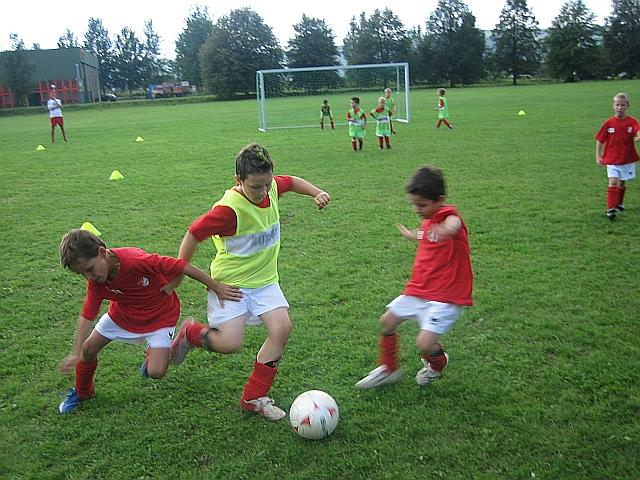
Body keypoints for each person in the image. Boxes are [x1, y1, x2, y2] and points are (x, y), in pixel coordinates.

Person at [166, 143, 330, 421]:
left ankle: (253, 397)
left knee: (282, 328)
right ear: (238, 181)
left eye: (267, 184)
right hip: (231, 286)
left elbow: (291, 182)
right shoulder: (227, 211)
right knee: (229, 343)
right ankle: (191, 333)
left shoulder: (270, 186)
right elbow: (192, 234)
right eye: (255, 187)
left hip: (265, 282)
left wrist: (316, 192)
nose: (263, 191)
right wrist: (180, 272)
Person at [57, 228, 226, 414]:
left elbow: (181, 266)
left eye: (89, 269)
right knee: (88, 349)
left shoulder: (136, 261)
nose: (89, 277)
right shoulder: (96, 281)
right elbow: (87, 314)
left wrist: (215, 286)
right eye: (83, 274)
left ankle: (187, 335)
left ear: (102, 252)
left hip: (159, 316)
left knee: (156, 372)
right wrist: (75, 352)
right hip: (123, 315)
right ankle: (83, 392)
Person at [356, 165, 473, 389]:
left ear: (440, 200)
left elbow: (453, 223)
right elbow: (426, 234)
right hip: (420, 289)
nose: (416, 209)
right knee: (387, 321)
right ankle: (389, 369)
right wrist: (413, 235)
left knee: (424, 344)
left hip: (446, 296)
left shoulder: (448, 216)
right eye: (414, 204)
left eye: (421, 205)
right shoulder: (428, 219)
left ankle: (437, 364)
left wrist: (447, 230)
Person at [595, 92, 640, 220]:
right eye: (617, 105)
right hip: (612, 159)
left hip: (627, 159)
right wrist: (598, 156)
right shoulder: (608, 123)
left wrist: (638, 135)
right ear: (613, 106)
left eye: (622, 105)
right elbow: (599, 140)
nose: (620, 107)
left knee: (621, 183)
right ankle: (611, 208)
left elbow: (638, 129)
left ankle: (619, 203)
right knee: (613, 181)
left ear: (627, 106)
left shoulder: (632, 121)